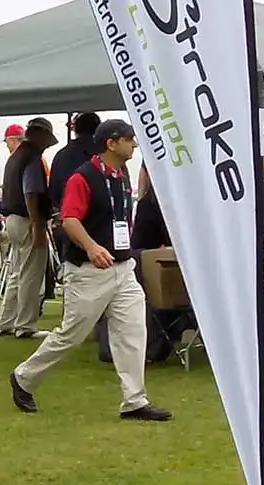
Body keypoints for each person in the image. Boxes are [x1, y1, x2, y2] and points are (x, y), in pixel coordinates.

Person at [9, 120, 172, 421]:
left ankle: (134, 400)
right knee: (72, 334)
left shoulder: (121, 175)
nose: (134, 144)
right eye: (129, 139)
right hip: (88, 271)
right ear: (111, 143)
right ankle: (24, 377)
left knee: (133, 330)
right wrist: (92, 247)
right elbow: (70, 219)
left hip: (122, 267)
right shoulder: (83, 178)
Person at [0, 117, 58, 337]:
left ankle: (6, 322)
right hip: (27, 219)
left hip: (12, 220)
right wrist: (39, 225)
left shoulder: (15, 157)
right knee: (31, 274)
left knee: (17, 272)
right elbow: (31, 193)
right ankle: (26, 325)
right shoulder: (32, 157)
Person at [49, 112, 100, 212]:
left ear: (76, 130)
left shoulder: (61, 155)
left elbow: (53, 193)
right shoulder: (103, 154)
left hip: (68, 214)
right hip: (97, 216)